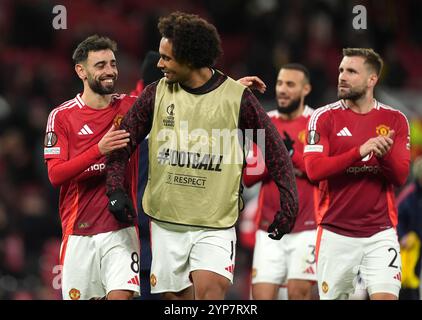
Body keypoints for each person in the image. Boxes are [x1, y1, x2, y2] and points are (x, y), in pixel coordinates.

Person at [105, 11, 298, 300]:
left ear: (190, 59)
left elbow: (274, 147)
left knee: (210, 293)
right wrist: (115, 188)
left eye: (166, 58)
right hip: (167, 221)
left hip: (215, 222)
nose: (159, 64)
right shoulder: (155, 95)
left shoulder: (237, 97)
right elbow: (122, 144)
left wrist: (288, 200)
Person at [303, 48, 410, 300]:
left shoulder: (395, 120)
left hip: (380, 233)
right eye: (341, 70)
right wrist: (360, 151)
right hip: (335, 233)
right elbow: (314, 170)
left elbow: (400, 177)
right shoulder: (323, 117)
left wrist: (383, 156)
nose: (342, 76)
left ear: (372, 79)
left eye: (351, 71)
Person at [44, 35, 141, 300]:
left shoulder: (130, 106)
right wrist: (99, 149)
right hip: (79, 233)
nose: (110, 70)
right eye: (100, 65)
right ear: (81, 71)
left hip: (121, 230)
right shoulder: (62, 116)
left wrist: (224, 89)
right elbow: (55, 175)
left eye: (112, 63)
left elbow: (173, 101)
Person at [244, 63, 318, 300]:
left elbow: (318, 171)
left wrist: (290, 156)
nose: (283, 90)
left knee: (299, 294)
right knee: (261, 296)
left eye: (290, 84)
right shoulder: (265, 122)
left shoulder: (317, 122)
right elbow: (249, 176)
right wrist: (280, 156)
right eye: (279, 83)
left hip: (306, 227)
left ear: (305, 89)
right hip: (268, 228)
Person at [397, 156, 422, 300]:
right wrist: (403, 236)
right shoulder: (409, 195)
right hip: (410, 246)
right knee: (408, 282)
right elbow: (396, 217)